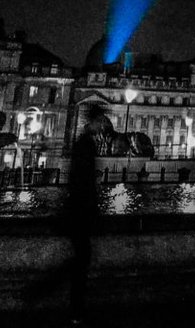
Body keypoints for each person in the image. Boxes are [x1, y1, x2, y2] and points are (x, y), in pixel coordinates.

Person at [64, 104, 102, 326]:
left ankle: (76, 309)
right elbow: (82, 181)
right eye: (100, 121)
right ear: (93, 121)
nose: (102, 125)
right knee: (82, 259)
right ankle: (76, 311)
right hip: (80, 211)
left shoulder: (84, 142)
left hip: (77, 209)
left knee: (81, 258)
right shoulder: (86, 143)